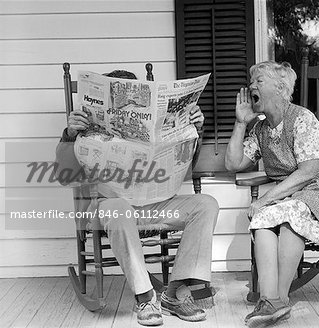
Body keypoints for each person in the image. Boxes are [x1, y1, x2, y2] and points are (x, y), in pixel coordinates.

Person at [55, 70, 219, 326]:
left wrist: (195, 130)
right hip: (112, 206)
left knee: (206, 204)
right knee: (117, 208)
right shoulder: (82, 128)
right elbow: (66, 177)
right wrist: (69, 134)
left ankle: (175, 292)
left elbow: (185, 167)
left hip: (154, 205)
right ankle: (145, 296)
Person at [225, 61, 319, 327]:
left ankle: (279, 300)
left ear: (280, 87)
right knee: (262, 217)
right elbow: (234, 163)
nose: (251, 86)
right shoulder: (261, 129)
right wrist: (240, 123)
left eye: (259, 81)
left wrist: (265, 198)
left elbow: (308, 171)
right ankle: (268, 300)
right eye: (252, 81)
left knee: (288, 213)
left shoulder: (301, 118)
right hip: (297, 195)